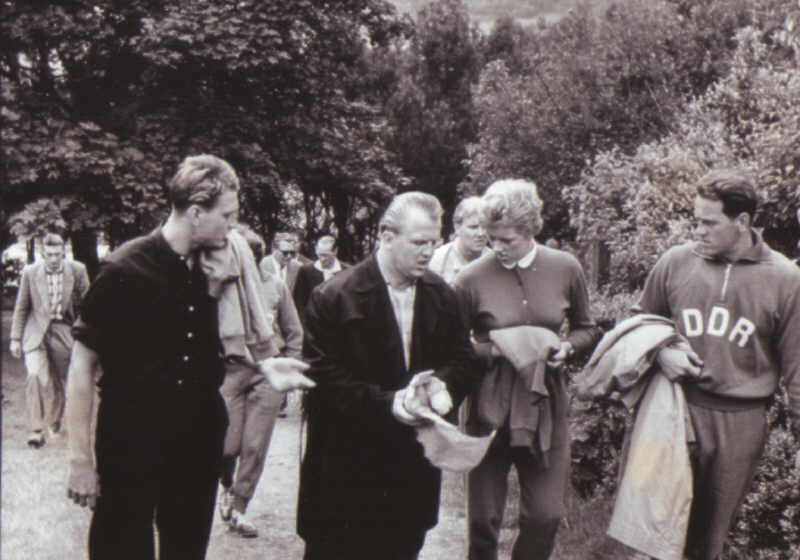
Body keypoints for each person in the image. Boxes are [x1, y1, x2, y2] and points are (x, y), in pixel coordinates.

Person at [64, 154, 314, 560]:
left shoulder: (214, 271)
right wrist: (80, 461)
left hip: (196, 445)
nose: (233, 226)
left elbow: (206, 351)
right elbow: (81, 366)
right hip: (131, 443)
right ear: (196, 212)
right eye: (226, 216)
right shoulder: (124, 269)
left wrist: (264, 364)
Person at [297, 191, 482, 560]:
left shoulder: (443, 296)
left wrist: (441, 386)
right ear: (386, 236)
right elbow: (322, 378)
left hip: (409, 471)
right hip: (344, 470)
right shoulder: (333, 296)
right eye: (418, 242)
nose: (428, 252)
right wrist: (389, 404)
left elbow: (464, 360)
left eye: (433, 242)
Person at [634, 170, 800, 560]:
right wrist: (661, 352)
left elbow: (797, 367)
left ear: (742, 221)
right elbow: (639, 322)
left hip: (740, 422)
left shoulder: (786, 279)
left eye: (709, 223)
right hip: (674, 408)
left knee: (708, 541)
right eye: (696, 221)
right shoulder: (676, 262)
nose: (698, 231)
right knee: (654, 533)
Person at [454, 179, 600, 560]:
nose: (496, 247)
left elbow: (587, 328)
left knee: (544, 516)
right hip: (489, 404)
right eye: (490, 238)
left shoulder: (565, 268)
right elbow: (453, 349)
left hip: (544, 403)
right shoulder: (470, 279)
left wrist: (567, 348)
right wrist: (498, 349)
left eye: (507, 239)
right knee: (483, 519)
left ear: (531, 229)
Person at [217, 227, 304, 537]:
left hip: (267, 373)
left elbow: (293, 332)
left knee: (254, 445)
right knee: (227, 445)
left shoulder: (275, 286)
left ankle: (240, 507)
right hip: (231, 372)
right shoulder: (221, 285)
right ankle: (227, 485)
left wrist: (287, 375)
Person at [10, 232, 90, 448]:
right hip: (36, 331)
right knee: (35, 376)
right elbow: (22, 306)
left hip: (64, 329)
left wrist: (84, 334)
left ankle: (54, 422)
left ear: (63, 252)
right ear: (42, 254)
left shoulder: (78, 270)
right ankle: (36, 430)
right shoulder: (30, 272)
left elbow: (88, 306)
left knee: (61, 381)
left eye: (57, 254)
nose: (53, 259)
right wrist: (15, 338)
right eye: (49, 255)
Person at [428, 196, 490, 284]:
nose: (481, 233)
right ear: (457, 227)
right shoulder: (437, 260)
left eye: (485, 227)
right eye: (473, 227)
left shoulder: (495, 262)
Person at [293, 235, 348, 323]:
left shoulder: (347, 272)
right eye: (319, 255)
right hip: (312, 326)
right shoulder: (306, 271)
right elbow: (299, 303)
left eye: (326, 255)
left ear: (335, 251)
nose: (322, 259)